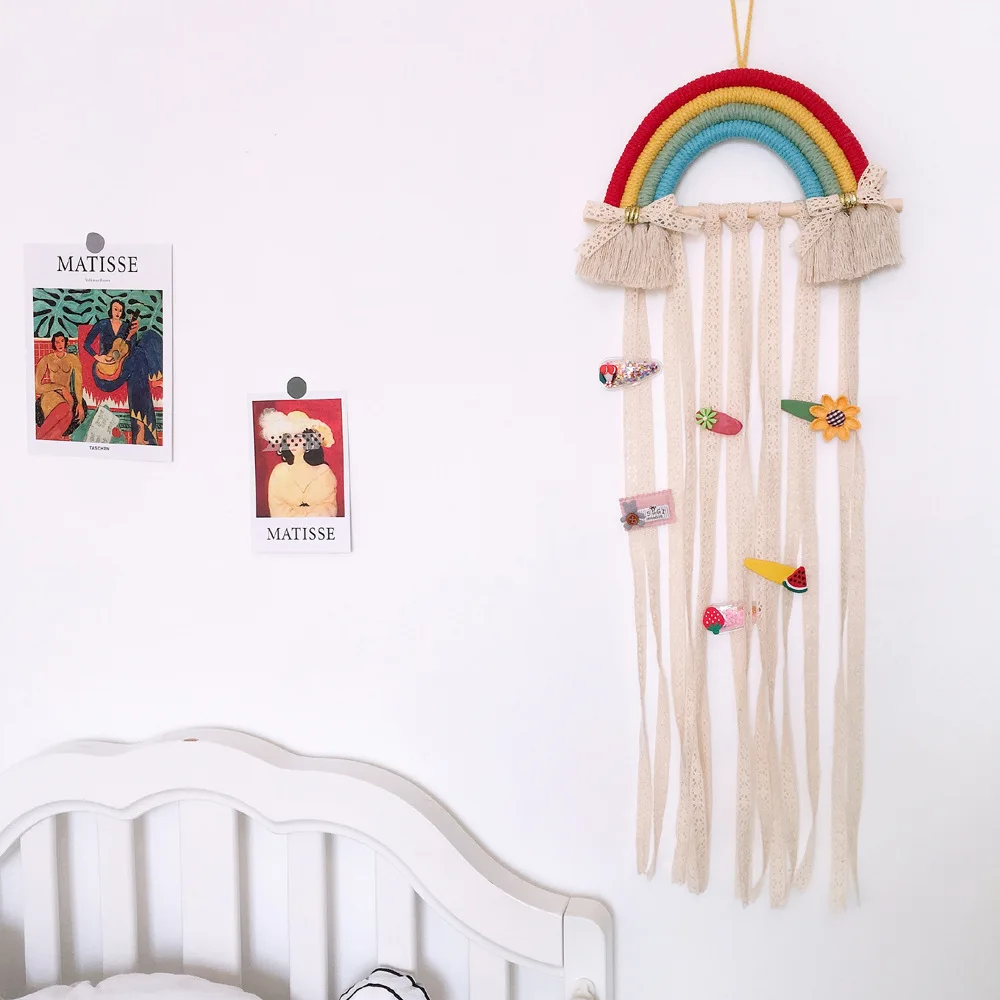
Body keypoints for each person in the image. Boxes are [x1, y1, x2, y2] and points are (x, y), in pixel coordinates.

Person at [82, 299, 163, 445]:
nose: (118, 312)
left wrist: (132, 335)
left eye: (120, 310)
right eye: (115, 309)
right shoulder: (103, 324)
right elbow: (86, 343)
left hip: (124, 366)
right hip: (104, 371)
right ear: (110, 309)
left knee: (149, 337)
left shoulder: (126, 326)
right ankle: (142, 432)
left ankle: (140, 431)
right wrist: (98, 357)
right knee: (137, 364)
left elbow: (131, 350)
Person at [258, 409, 338, 517]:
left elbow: (329, 506)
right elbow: (277, 507)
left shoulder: (324, 472)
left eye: (298, 437)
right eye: (288, 437)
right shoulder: (279, 472)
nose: (292, 442)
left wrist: (312, 518)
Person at [35, 333, 86, 439]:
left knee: (69, 415)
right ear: (53, 344)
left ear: (66, 342)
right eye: (57, 342)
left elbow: (78, 383)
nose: (60, 344)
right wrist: (60, 387)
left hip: (68, 396)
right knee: (64, 408)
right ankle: (41, 437)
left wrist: (80, 403)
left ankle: (42, 438)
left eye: (62, 341)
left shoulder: (73, 359)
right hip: (51, 394)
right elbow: (37, 387)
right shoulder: (47, 359)